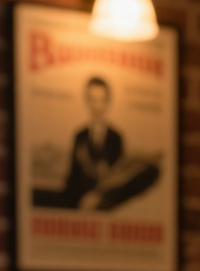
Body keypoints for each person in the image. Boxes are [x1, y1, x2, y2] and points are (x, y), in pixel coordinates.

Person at [32, 76, 159, 211]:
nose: (97, 105)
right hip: (79, 203)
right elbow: (73, 177)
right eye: (93, 99)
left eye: (101, 100)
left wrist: (99, 196)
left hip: (106, 204)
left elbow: (118, 177)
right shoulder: (79, 136)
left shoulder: (116, 137)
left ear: (107, 102)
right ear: (87, 101)